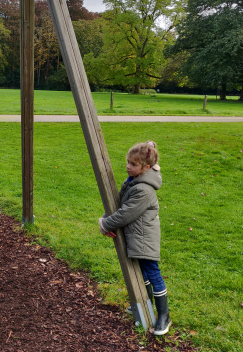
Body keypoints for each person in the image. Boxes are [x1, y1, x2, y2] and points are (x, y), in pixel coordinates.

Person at [97, 141, 172, 336]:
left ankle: (164, 314)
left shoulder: (143, 190)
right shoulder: (134, 180)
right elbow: (121, 205)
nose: (128, 166)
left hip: (144, 238)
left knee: (152, 272)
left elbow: (125, 214)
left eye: (133, 164)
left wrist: (105, 224)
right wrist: (107, 218)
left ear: (146, 168)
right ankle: (144, 303)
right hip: (137, 235)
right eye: (128, 162)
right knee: (143, 272)